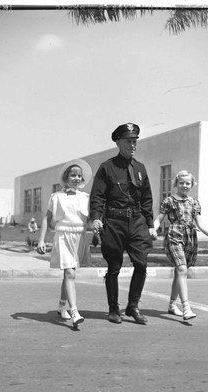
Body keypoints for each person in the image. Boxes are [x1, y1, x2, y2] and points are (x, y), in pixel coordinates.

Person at [90, 122, 156, 324]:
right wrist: (95, 218)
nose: (133, 145)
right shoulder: (106, 168)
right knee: (114, 266)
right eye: (128, 141)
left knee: (141, 264)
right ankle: (113, 309)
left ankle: (133, 306)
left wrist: (150, 223)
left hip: (136, 222)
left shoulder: (140, 168)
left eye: (135, 141)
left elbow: (146, 198)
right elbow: (97, 196)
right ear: (118, 142)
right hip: (114, 222)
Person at [153, 170, 208, 320]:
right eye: (181, 183)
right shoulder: (169, 201)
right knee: (182, 269)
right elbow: (159, 218)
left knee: (180, 272)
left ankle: (172, 305)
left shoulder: (194, 202)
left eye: (187, 183)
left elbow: (200, 223)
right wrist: (153, 229)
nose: (184, 186)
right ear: (176, 183)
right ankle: (186, 308)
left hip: (190, 237)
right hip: (174, 236)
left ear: (192, 184)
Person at [37, 159, 92, 328]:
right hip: (63, 235)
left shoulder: (86, 198)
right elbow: (47, 218)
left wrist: (96, 226)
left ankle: (62, 306)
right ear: (66, 177)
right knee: (69, 273)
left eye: (79, 176)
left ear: (82, 179)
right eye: (72, 175)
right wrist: (41, 239)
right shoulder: (56, 197)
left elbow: (89, 221)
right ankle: (74, 311)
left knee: (69, 273)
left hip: (79, 236)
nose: (76, 178)